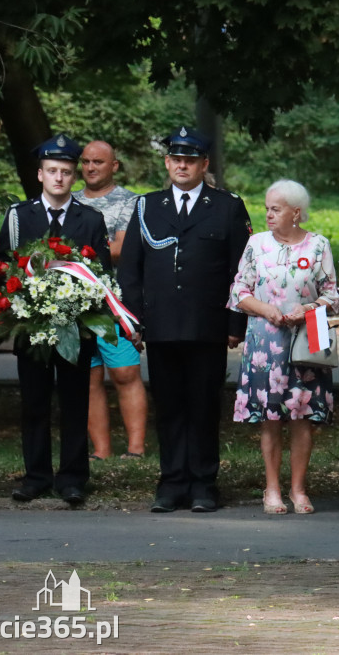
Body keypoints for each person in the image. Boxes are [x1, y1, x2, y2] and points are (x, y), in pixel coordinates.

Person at [119, 127, 251, 514]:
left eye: (190, 160)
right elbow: (131, 270)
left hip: (207, 326)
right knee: (170, 406)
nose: (182, 165)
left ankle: (203, 484)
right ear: (166, 162)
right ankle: (172, 482)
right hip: (160, 326)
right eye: (176, 159)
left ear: (203, 164)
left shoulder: (227, 206)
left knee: (204, 405)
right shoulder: (148, 207)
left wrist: (235, 325)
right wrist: (135, 322)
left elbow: (240, 269)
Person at [0, 133, 112, 505]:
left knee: (76, 401)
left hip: (75, 326)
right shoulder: (18, 216)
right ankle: (36, 476)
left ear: (73, 177)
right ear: (40, 174)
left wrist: (81, 305)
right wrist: (24, 296)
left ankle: (73, 478)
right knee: (34, 402)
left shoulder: (90, 218)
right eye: (52, 171)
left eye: (65, 172)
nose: (59, 178)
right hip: (31, 325)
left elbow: (102, 273)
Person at [228, 179, 339, 515]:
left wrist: (305, 310)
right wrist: (267, 310)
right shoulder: (256, 244)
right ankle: (272, 489)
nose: (268, 215)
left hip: (306, 341)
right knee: (271, 418)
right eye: (267, 209)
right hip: (265, 342)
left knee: (302, 417)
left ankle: (299, 489)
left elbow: (332, 296)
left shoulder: (318, 246)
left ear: (296, 212)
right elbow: (238, 292)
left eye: (275, 209)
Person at [72, 140, 147, 461]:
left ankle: (135, 449)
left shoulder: (131, 203)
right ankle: (101, 451)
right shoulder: (70, 200)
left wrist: (74, 253)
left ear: (114, 166)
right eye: (86, 162)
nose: (90, 167)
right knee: (88, 380)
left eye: (98, 162)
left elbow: (121, 250)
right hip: (76, 306)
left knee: (125, 374)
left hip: (116, 305)